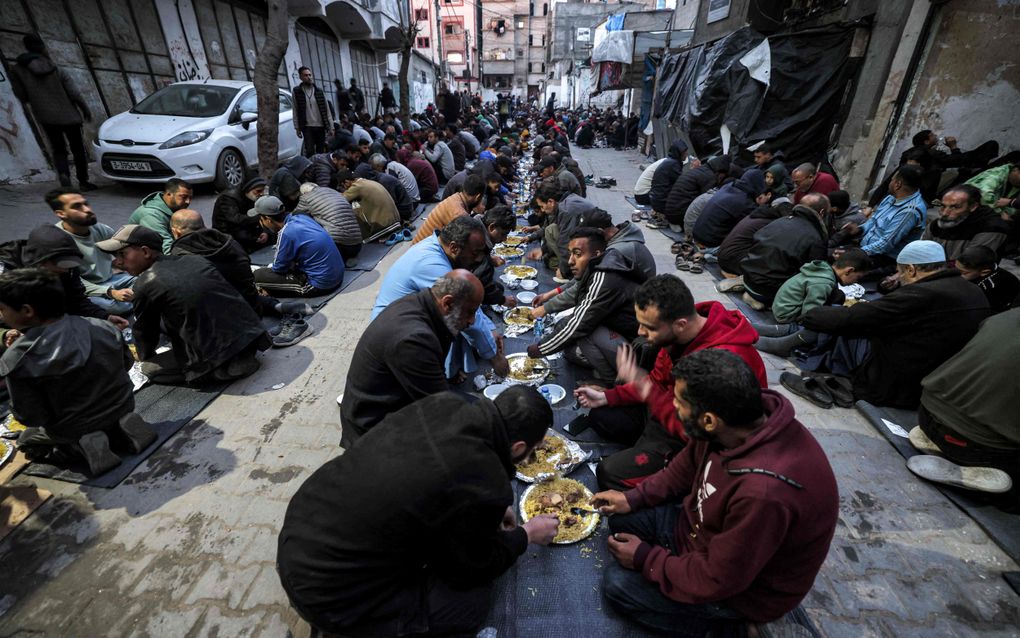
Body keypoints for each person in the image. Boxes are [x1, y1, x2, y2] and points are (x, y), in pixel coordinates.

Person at [281, 386, 560, 637]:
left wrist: (490, 509)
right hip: (329, 596)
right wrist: (527, 535)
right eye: (533, 451)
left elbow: (439, 482)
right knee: (470, 602)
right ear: (518, 447)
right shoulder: (487, 483)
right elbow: (470, 569)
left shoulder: (448, 401)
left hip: (300, 533)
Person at [593, 350, 838, 635]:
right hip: (698, 532)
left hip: (739, 591)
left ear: (709, 420)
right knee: (619, 520)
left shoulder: (765, 493)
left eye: (679, 402)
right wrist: (632, 498)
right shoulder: (728, 428)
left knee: (618, 584)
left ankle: (727, 628)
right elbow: (683, 468)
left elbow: (719, 577)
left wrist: (646, 559)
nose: (671, 405)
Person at [576, 275, 767, 490]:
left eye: (648, 327)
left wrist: (646, 390)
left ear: (680, 325)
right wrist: (608, 396)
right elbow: (657, 382)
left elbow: (697, 433)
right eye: (640, 324)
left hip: (696, 439)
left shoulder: (722, 363)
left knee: (609, 473)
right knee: (601, 415)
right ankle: (642, 449)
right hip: (666, 413)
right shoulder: (677, 337)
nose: (640, 333)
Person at [796, 240, 989, 408]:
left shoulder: (921, 294)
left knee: (844, 324)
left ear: (911, 270)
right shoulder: (974, 292)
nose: (899, 276)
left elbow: (854, 318)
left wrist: (810, 314)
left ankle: (794, 335)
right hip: (937, 382)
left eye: (900, 271)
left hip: (896, 384)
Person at [0, 269, 156, 476]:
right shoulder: (102, 326)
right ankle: (118, 430)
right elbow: (127, 364)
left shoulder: (16, 359)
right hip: (122, 404)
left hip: (74, 426)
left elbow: (31, 415)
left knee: (27, 441)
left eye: (2, 309)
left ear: (27, 311)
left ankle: (80, 447)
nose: (1, 315)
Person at [98, 225, 269, 385]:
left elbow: (145, 333)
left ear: (145, 251)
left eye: (122, 254)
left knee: (148, 369)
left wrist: (143, 357)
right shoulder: (194, 259)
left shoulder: (145, 284)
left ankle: (217, 371)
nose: (118, 262)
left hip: (218, 354)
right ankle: (236, 360)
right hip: (251, 337)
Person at [339, 269, 483, 444]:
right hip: (371, 428)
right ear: (447, 303)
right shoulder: (413, 339)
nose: (472, 321)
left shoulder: (422, 303)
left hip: (385, 404)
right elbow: (441, 405)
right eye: (469, 312)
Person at [373, 216, 507, 380]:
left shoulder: (437, 247)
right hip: (393, 334)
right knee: (457, 319)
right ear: (454, 247)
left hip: (403, 320)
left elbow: (471, 309)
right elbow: (467, 314)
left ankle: (450, 370)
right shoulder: (432, 264)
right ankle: (444, 374)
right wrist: (494, 356)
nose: (479, 259)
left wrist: (490, 330)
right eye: (475, 253)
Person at [910, 309, 1020, 497]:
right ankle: (967, 461)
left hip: (928, 413)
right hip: (981, 446)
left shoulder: (1007, 315)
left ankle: (941, 443)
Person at [526, 228, 641, 383]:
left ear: (596, 254)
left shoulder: (605, 276)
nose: (570, 261)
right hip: (619, 333)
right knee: (568, 341)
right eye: (571, 253)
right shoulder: (599, 265)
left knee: (584, 332)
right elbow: (575, 294)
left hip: (634, 346)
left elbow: (580, 323)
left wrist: (540, 349)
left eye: (578, 254)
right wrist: (547, 305)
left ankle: (612, 383)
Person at [8, 34, 96, 190]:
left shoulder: (17, 70)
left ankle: (64, 175)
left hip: (46, 116)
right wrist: (84, 109)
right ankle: (83, 181)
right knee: (78, 149)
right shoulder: (54, 66)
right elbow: (73, 92)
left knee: (59, 149)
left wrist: (36, 99)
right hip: (69, 115)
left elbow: (21, 95)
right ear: (42, 47)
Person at [0, 224, 127, 330]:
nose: (64, 270)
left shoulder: (67, 267)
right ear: (39, 261)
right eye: (58, 264)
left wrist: (105, 317)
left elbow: (76, 300)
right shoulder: (7, 271)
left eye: (68, 264)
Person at [753, 248, 870, 357]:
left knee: (837, 296)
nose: (856, 282)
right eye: (858, 278)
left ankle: (758, 329)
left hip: (782, 306)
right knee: (817, 325)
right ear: (849, 271)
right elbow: (811, 314)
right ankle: (782, 334)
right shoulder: (824, 283)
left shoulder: (824, 270)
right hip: (786, 313)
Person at [48, 188, 133, 314]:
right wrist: (111, 292)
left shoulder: (99, 228)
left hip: (112, 279)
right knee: (117, 307)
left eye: (86, 204)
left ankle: (139, 299)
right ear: (61, 213)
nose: (87, 210)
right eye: (77, 207)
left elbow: (122, 248)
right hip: (86, 290)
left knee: (147, 279)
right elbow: (74, 282)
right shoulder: (59, 241)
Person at [739, 194, 832, 309]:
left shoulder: (780, 221)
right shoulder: (816, 236)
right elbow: (816, 272)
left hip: (748, 279)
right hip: (769, 291)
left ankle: (754, 295)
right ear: (822, 212)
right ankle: (766, 302)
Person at [249, 196, 345, 301]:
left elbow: (279, 268)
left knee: (257, 276)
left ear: (268, 219)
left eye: (261, 219)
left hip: (321, 285)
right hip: (338, 277)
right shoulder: (301, 217)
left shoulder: (286, 232)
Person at [840, 165, 926, 265]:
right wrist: (859, 229)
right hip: (867, 248)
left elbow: (885, 244)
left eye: (892, 180)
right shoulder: (890, 198)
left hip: (884, 258)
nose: (889, 183)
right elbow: (873, 221)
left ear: (897, 185)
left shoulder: (909, 211)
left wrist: (854, 254)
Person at [692, 169, 766, 249]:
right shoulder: (744, 202)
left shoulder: (728, 186)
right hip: (710, 242)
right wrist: (761, 204)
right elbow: (755, 219)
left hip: (696, 233)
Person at [296, 183, 363, 261]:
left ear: (304, 193)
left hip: (337, 246)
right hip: (357, 245)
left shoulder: (306, 198)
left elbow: (295, 215)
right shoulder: (332, 191)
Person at [412, 175, 486, 243]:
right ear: (478, 197)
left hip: (419, 246)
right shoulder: (459, 213)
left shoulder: (456, 197)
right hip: (424, 250)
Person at [663, 156, 731, 229]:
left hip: (670, 212)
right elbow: (708, 201)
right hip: (679, 216)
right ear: (720, 172)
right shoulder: (709, 177)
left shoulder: (699, 170)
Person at [128, 178, 193, 253]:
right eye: (183, 197)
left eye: (190, 198)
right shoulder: (151, 215)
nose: (188, 202)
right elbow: (165, 246)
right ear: (169, 194)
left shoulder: (175, 208)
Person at [338, 170, 402, 242]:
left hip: (386, 227)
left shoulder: (356, 187)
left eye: (342, 185)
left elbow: (340, 199)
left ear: (346, 182)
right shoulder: (367, 181)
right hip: (396, 220)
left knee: (355, 208)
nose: (344, 187)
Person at [212, 177, 271, 253]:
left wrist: (264, 231)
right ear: (248, 190)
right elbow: (235, 219)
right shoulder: (228, 198)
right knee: (244, 236)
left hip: (244, 225)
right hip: (228, 231)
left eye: (263, 190)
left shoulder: (252, 196)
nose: (261, 194)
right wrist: (259, 218)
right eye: (258, 191)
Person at [955, 245, 1019, 314]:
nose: (956, 274)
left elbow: (987, 310)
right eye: (955, 268)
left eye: (963, 272)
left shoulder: (990, 286)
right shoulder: (980, 270)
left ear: (984, 272)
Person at [292, 66, 333, 156]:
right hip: (307, 126)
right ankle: (311, 168)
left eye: (310, 75)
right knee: (309, 150)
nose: (309, 77)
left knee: (320, 151)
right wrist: (297, 127)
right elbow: (295, 109)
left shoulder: (319, 91)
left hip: (320, 126)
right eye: (306, 75)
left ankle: (319, 168)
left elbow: (327, 109)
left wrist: (331, 126)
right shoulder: (297, 91)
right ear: (301, 77)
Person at [648, 140, 689, 221]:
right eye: (684, 152)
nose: (686, 154)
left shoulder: (671, 161)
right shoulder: (673, 164)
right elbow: (683, 183)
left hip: (656, 199)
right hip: (661, 202)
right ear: (678, 153)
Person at [367, 154, 414, 223]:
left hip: (410, 202)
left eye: (373, 168)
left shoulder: (388, 170)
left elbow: (392, 198)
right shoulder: (392, 164)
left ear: (378, 166)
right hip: (410, 199)